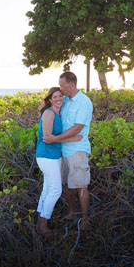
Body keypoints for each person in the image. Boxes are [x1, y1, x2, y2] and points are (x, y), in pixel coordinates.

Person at [34, 87, 81, 235]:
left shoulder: (57, 113)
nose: (59, 99)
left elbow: (55, 137)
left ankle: (40, 221)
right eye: (55, 97)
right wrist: (71, 138)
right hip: (46, 156)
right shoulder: (49, 113)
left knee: (48, 188)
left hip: (53, 156)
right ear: (49, 99)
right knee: (55, 190)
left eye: (60, 96)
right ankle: (43, 223)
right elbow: (47, 138)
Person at [56, 71, 94, 227]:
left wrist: (55, 139)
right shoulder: (64, 100)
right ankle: (72, 213)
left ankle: (85, 220)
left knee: (81, 185)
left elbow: (77, 127)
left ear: (71, 85)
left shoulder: (84, 102)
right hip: (63, 150)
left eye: (62, 85)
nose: (60, 88)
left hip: (77, 150)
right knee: (67, 185)